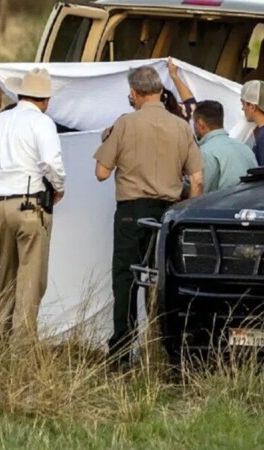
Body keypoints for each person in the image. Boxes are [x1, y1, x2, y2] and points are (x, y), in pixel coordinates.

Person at [94, 66, 204, 369]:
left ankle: (121, 354)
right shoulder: (182, 127)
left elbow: (101, 173)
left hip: (131, 213)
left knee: (125, 281)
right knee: (163, 282)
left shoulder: (125, 124)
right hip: (168, 214)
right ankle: (164, 352)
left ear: (134, 93)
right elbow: (196, 179)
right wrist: (185, 214)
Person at [0, 68, 66, 346]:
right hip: (30, 206)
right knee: (31, 279)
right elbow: (50, 162)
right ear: (44, 100)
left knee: (6, 274)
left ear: (21, 94)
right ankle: (23, 346)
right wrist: (58, 187)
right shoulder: (42, 123)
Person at [193, 100, 257, 194]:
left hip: (219, 206)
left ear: (200, 124)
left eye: (194, 122)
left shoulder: (205, 152)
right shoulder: (245, 149)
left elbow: (199, 191)